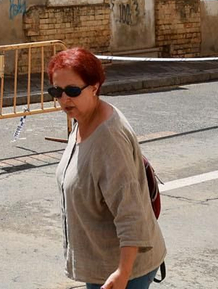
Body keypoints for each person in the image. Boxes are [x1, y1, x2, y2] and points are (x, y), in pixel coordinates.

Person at [52, 47, 166, 289]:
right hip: (101, 265)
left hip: (121, 272)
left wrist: (122, 273)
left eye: (72, 90)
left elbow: (130, 213)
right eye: (57, 91)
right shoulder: (83, 119)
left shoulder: (109, 139)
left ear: (94, 87)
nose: (64, 99)